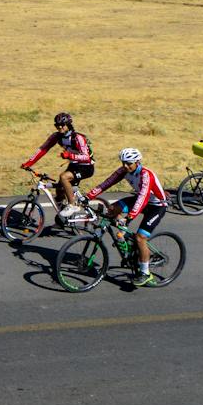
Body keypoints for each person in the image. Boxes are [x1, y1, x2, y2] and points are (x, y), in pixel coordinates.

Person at [84, 148, 168, 287]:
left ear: (137, 162)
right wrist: (88, 196)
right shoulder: (123, 171)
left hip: (156, 206)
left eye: (128, 163)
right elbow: (106, 183)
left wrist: (129, 218)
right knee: (111, 210)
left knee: (140, 238)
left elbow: (143, 198)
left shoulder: (146, 175)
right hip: (141, 201)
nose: (125, 166)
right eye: (123, 163)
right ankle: (122, 237)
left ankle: (145, 274)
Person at [21, 111, 95, 215]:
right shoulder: (56, 136)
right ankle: (62, 217)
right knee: (60, 190)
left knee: (64, 177)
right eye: (57, 125)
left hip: (86, 167)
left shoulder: (78, 138)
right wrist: (29, 163)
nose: (59, 127)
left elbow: (86, 157)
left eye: (62, 125)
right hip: (74, 165)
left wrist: (70, 156)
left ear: (68, 125)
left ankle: (72, 205)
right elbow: (43, 149)